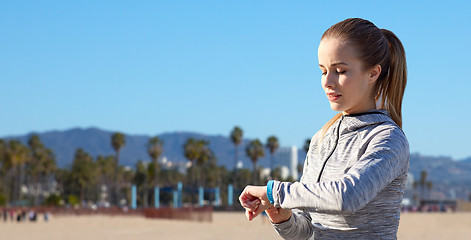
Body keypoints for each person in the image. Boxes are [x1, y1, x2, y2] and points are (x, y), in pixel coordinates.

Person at [239, 18, 409, 239]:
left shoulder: (388, 137)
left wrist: (275, 193)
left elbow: (347, 196)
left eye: (340, 70)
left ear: (373, 73)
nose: (327, 81)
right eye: (323, 70)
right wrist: (280, 215)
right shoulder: (323, 138)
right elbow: (304, 231)